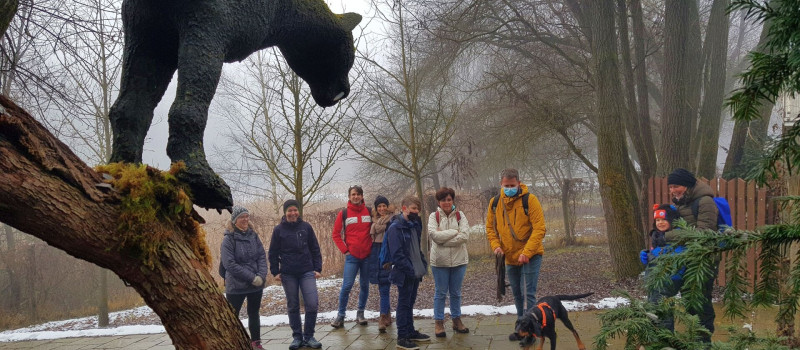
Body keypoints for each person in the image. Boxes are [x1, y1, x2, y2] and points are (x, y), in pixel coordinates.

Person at [485, 168, 547, 342]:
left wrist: (527, 252)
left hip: (531, 255)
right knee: (517, 294)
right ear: (501, 184)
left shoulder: (530, 200)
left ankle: (532, 332)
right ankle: (521, 327)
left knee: (530, 294)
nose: (510, 188)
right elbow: (490, 228)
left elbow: (540, 228)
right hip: (510, 257)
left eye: (512, 185)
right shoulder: (495, 202)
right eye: (507, 185)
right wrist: (496, 246)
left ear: (519, 183)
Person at [661, 168, 719, 342]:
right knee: (689, 303)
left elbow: (704, 233)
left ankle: (704, 342)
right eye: (670, 187)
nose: (672, 190)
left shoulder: (705, 202)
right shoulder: (682, 202)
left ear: (687, 185)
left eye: (676, 186)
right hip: (686, 260)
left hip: (703, 262)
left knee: (701, 304)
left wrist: (668, 237)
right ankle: (694, 340)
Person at [268, 200, 323, 350]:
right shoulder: (278, 230)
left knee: (312, 303)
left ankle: (309, 336)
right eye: (289, 211)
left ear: (298, 211)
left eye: (295, 210)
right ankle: (297, 337)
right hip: (288, 273)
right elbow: (272, 252)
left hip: (307, 271)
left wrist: (318, 268)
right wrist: (275, 271)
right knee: (293, 305)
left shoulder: (306, 227)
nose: (293, 213)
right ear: (285, 213)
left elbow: (315, 249)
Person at [220, 205, 268, 350]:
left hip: (256, 284)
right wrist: (252, 278)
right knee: (232, 317)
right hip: (236, 285)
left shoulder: (253, 235)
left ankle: (256, 343)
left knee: (254, 313)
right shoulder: (228, 239)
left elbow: (261, 256)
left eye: (247, 216)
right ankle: (232, 344)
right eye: (242, 217)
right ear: (234, 220)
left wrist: (261, 275)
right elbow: (229, 264)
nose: (245, 219)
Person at [386, 196, 430, 350]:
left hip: (415, 270)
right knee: (403, 304)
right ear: (404, 208)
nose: (416, 212)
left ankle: (410, 332)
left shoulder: (416, 224)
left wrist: (422, 264)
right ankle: (402, 337)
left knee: (410, 302)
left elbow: (416, 247)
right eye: (413, 209)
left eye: (418, 209)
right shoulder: (395, 228)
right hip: (404, 272)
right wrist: (410, 270)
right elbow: (397, 255)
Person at [427, 187, 470, 338]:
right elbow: (434, 236)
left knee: (456, 293)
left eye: (449, 199)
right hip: (439, 262)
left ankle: (456, 320)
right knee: (440, 293)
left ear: (453, 200)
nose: (446, 202)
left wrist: (444, 240)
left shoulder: (460, 215)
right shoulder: (434, 217)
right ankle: (439, 322)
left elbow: (465, 236)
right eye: (443, 200)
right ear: (439, 202)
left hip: (459, 261)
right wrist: (454, 232)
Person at [330, 185, 373, 328]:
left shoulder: (369, 211)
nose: (356, 197)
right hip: (352, 257)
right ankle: (340, 316)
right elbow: (335, 234)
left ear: (362, 196)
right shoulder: (344, 213)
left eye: (358, 194)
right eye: (353, 194)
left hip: (367, 257)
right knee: (346, 286)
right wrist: (345, 250)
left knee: (364, 286)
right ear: (349, 197)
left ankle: (360, 314)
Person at [368, 195, 394, 333]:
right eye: (379, 206)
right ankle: (388, 316)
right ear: (376, 209)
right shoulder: (374, 221)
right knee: (382, 287)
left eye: (384, 206)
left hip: (387, 254)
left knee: (384, 287)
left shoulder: (393, 220)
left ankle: (382, 317)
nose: (382, 209)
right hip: (375, 253)